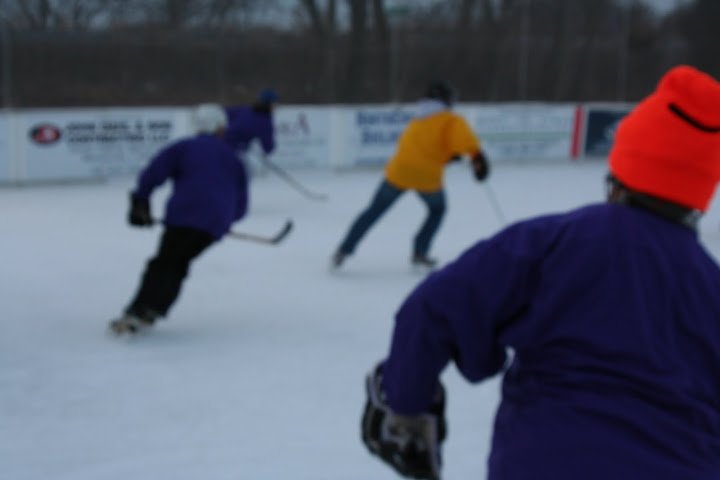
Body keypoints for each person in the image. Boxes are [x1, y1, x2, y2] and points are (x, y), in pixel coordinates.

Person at [360, 65, 720, 480]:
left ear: (620, 169)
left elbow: (433, 309)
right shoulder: (711, 287)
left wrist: (407, 406)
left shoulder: (551, 243)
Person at [109, 103, 249, 334]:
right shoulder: (234, 158)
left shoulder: (184, 147)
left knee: (165, 263)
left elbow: (154, 172)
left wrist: (140, 200)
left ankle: (140, 311)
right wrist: (226, 221)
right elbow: (242, 202)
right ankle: (153, 309)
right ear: (220, 128)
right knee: (178, 263)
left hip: (185, 216)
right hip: (214, 223)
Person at [331, 81, 489, 270]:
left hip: (399, 171)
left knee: (373, 211)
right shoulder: (451, 119)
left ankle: (343, 250)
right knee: (437, 210)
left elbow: (425, 144)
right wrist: (477, 158)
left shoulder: (419, 116)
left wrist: (448, 155)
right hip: (426, 176)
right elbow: (465, 143)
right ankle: (419, 252)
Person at [223, 88, 278, 164]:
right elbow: (268, 147)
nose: (276, 106)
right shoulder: (265, 121)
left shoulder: (245, 109)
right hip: (235, 150)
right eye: (275, 103)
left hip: (220, 141)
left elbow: (223, 113)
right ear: (270, 104)